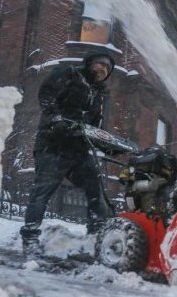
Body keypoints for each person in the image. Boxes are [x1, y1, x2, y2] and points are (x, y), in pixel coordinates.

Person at [19, 53, 116, 257]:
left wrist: (105, 142)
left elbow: (95, 125)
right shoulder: (69, 74)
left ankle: (96, 233)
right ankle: (30, 238)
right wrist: (56, 119)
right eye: (101, 64)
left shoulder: (98, 94)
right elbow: (47, 93)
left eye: (107, 69)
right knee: (42, 191)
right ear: (90, 63)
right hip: (53, 146)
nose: (103, 70)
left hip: (78, 151)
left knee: (95, 188)